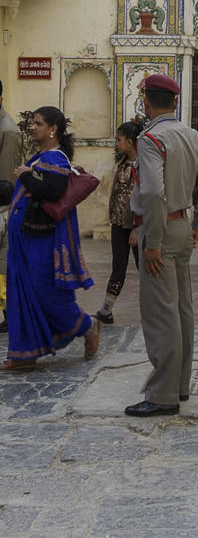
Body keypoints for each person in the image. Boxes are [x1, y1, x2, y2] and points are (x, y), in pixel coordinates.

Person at [125, 74, 198, 416]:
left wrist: (152, 242)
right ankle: (179, 386)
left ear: (146, 102)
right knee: (181, 310)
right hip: (181, 226)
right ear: (175, 102)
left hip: (161, 232)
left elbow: (152, 192)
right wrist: (197, 226)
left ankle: (162, 395)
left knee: (160, 313)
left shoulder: (151, 139)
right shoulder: (191, 135)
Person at [1, 107, 99, 371]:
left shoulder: (55, 157)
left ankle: (87, 326)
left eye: (38, 123)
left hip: (41, 242)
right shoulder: (41, 156)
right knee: (21, 293)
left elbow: (53, 192)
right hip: (27, 240)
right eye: (32, 122)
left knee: (45, 292)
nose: (32, 127)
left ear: (52, 129)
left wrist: (24, 175)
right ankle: (24, 354)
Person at [94, 122, 143, 324]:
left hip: (136, 228)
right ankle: (106, 311)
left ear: (130, 142)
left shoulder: (143, 166)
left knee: (145, 268)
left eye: (118, 140)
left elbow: (144, 198)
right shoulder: (123, 162)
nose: (116, 144)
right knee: (118, 266)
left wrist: (136, 227)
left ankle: (156, 309)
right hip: (118, 224)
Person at [0, 80, 23, 334]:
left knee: (3, 266)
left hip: (3, 208)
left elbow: (5, 181)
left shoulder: (8, 131)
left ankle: (11, 316)